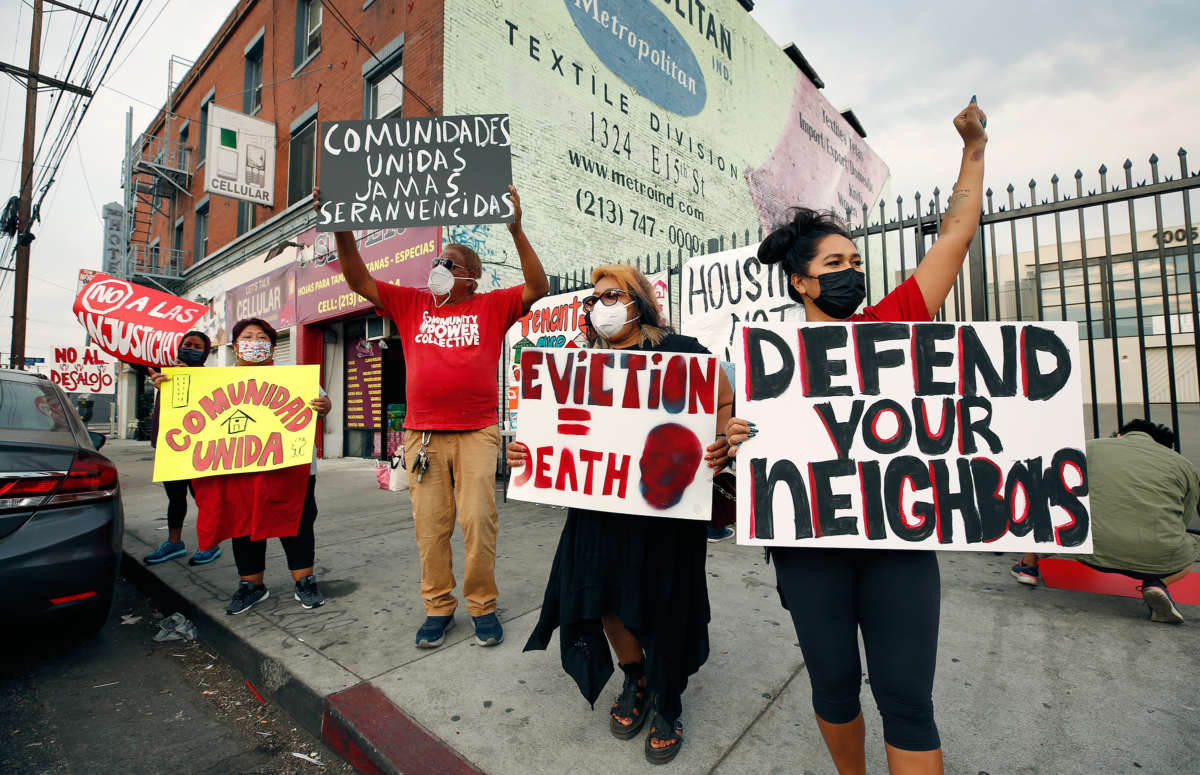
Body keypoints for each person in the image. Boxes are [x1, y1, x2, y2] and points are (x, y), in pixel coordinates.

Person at [725, 99, 988, 775]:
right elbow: (735, 454)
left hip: (897, 545)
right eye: (836, 261)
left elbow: (955, 239)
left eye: (856, 260)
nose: (852, 271)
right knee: (834, 688)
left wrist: (974, 149)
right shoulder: (766, 363)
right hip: (810, 552)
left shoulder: (894, 321)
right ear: (801, 280)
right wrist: (733, 440)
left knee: (907, 699)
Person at [509, 265, 734, 765]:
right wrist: (527, 454)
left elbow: (721, 404)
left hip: (667, 513)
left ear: (639, 302)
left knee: (667, 601)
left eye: (613, 295)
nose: (601, 306)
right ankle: (637, 677)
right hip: (599, 508)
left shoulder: (683, 353)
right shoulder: (579, 365)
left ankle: (669, 703)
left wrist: (722, 440)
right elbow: (551, 431)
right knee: (601, 595)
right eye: (594, 299)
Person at [325, 185, 549, 648]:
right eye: (435, 263)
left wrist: (516, 229)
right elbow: (357, 280)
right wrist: (342, 228)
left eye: (449, 264)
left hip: (478, 432)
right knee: (431, 528)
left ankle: (482, 605)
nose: (438, 270)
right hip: (423, 435)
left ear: (472, 277)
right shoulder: (411, 303)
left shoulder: (492, 304)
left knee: (478, 520)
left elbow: (538, 288)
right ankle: (438, 607)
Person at [1010, 419, 1199, 624]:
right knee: (1191, 546)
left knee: (1045, 500)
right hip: (1153, 557)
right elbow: (1183, 517)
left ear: (1120, 435)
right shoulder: (1184, 466)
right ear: (1163, 446)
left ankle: (1028, 567)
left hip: (1083, 544)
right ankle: (1157, 583)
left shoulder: (1093, 446)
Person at [144, 330, 223, 566]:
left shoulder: (209, 378)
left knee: (203, 497)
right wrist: (162, 384)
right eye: (187, 344)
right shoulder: (166, 374)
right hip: (170, 448)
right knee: (175, 497)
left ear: (206, 352)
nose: (191, 349)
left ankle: (210, 544)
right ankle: (174, 543)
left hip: (199, 448)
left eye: (197, 346)